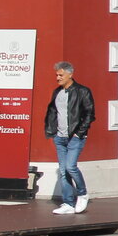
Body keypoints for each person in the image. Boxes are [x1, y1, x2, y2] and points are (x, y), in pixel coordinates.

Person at [43, 61, 95, 215]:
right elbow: (52, 113)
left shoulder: (82, 91)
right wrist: (52, 133)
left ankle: (83, 193)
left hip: (75, 137)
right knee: (63, 170)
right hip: (59, 137)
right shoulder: (57, 93)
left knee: (70, 167)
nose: (58, 78)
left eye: (61, 75)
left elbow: (89, 114)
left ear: (70, 75)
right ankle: (68, 203)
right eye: (57, 75)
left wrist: (79, 133)